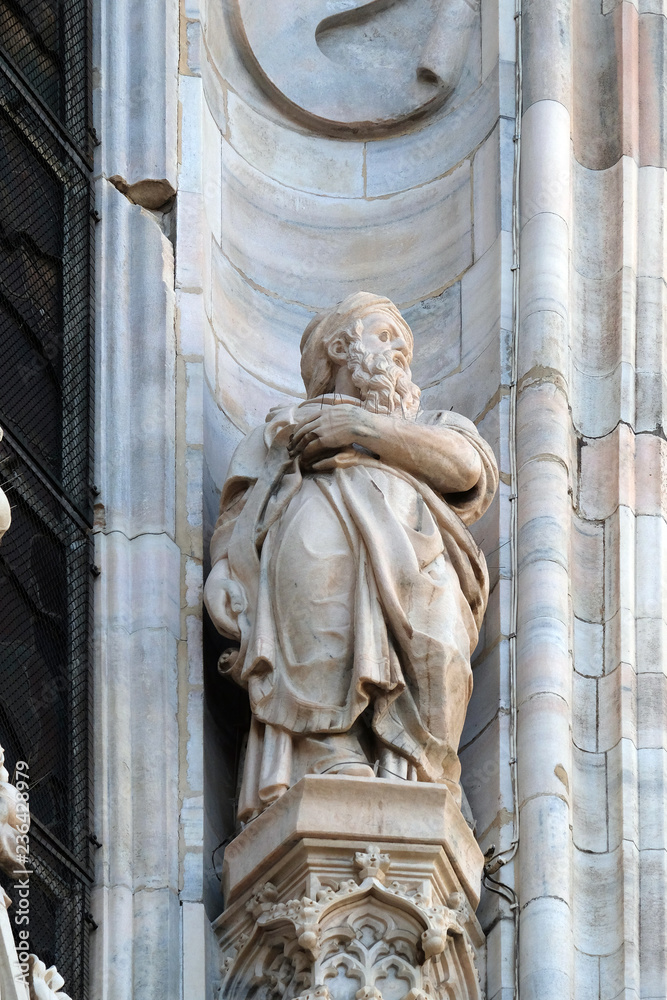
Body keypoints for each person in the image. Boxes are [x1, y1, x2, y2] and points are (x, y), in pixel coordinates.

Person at [204, 292, 497, 823]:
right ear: (340, 346)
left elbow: (468, 469)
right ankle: (327, 753)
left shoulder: (434, 422)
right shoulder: (286, 424)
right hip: (316, 543)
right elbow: (241, 508)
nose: (399, 352)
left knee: (442, 645)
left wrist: (363, 432)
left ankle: (416, 771)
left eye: (403, 345)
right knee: (322, 622)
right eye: (385, 335)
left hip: (420, 559)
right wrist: (225, 569)